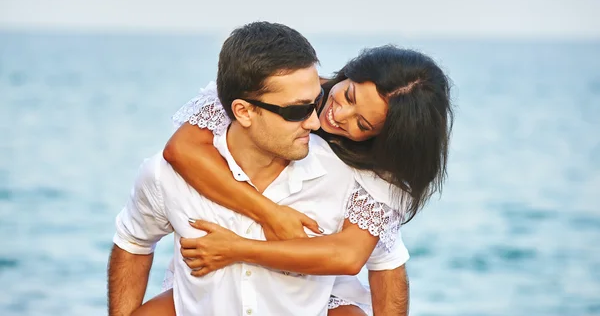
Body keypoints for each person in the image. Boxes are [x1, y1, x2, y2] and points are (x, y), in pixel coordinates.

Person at [108, 22, 420, 316]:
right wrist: (270, 213)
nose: (331, 115)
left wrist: (237, 249)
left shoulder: (363, 179)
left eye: (362, 123)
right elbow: (178, 154)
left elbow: (374, 260)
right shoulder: (274, 87)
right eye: (302, 107)